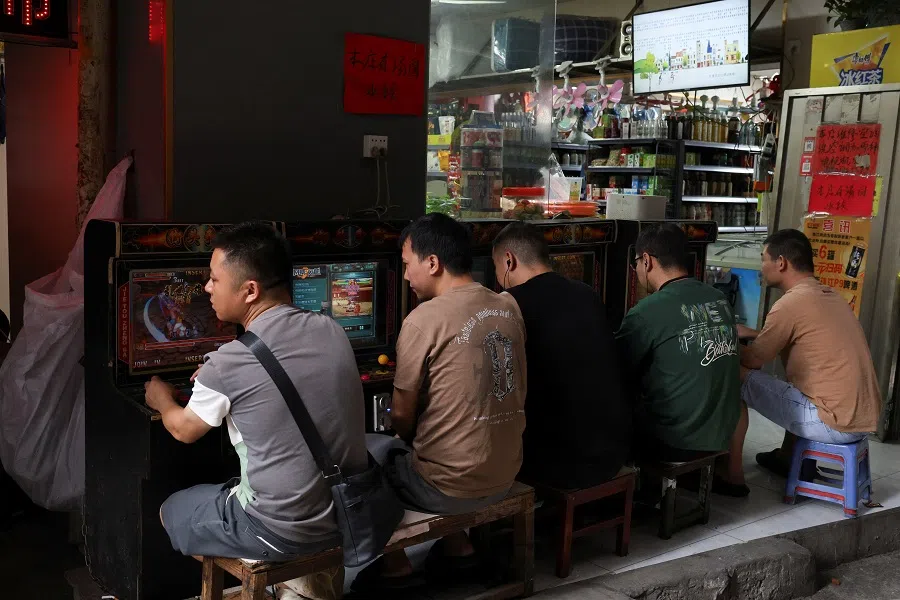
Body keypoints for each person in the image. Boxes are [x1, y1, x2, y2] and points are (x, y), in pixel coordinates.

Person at [145, 222, 366, 600]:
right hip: (346, 511)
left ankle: (266, 579)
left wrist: (160, 397)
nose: (207, 288)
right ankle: (298, 587)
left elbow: (184, 430)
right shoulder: (331, 328)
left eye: (214, 279)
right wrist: (219, 377)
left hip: (278, 528)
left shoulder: (230, 361)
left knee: (170, 510)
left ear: (250, 290)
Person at [355, 213, 527, 591]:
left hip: (448, 488)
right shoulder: (508, 307)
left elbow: (400, 418)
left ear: (432, 263)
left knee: (365, 457)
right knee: (439, 446)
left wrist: (411, 435)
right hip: (507, 472)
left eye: (406, 264)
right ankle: (460, 550)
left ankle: (396, 567)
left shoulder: (423, 320)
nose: (404, 276)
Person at [491, 222, 631, 488]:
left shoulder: (509, 304)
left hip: (559, 462)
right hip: (613, 452)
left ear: (508, 260)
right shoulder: (587, 294)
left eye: (497, 269)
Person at [736, 229, 881, 477]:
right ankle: (787, 457)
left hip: (833, 423)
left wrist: (721, 341)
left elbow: (754, 360)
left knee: (733, 373)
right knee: (800, 385)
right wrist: (752, 333)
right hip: (862, 418)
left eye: (763, 259)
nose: (761, 267)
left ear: (780, 263)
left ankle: (729, 470)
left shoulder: (790, 304)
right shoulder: (830, 295)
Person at [615, 223, 746, 496]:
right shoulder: (718, 298)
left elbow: (618, 371)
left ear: (647, 261)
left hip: (675, 439)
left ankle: (627, 496)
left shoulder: (647, 311)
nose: (637, 271)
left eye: (637, 263)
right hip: (721, 434)